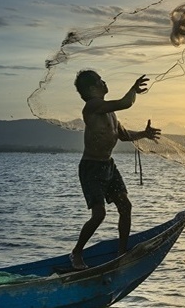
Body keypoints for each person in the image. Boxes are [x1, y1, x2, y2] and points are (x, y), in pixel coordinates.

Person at [69, 70, 161, 270]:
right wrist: (134, 90)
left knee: (125, 207)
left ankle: (121, 252)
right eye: (101, 80)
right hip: (91, 167)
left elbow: (124, 136)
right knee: (99, 214)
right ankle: (76, 253)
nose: (105, 82)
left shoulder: (110, 112)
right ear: (92, 88)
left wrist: (144, 134)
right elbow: (125, 102)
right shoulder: (92, 107)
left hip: (108, 165)